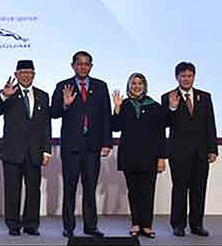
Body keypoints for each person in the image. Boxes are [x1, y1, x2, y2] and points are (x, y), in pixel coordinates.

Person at [51, 51, 112, 238]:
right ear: (73, 65)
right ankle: (68, 227)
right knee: (69, 188)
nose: (83, 67)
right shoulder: (63, 86)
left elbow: (106, 116)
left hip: (93, 147)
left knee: (90, 188)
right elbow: (53, 112)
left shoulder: (101, 86)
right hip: (72, 147)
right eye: (79, 64)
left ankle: (90, 227)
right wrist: (65, 104)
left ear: (91, 66)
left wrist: (107, 142)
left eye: (87, 64)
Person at [0, 60, 51, 236]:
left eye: (30, 72)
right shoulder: (9, 93)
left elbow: (46, 125)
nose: (27, 75)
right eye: (23, 72)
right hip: (12, 151)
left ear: (34, 74)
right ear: (16, 74)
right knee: (12, 190)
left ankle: (31, 224)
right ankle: (13, 224)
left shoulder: (43, 95)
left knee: (34, 189)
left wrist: (47, 149)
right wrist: (4, 96)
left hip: (34, 151)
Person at [162, 62, 217, 237]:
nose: (186, 79)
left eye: (190, 76)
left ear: (194, 77)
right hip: (178, 152)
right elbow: (164, 124)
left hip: (201, 152)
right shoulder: (168, 96)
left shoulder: (205, 97)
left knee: (199, 189)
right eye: (183, 76)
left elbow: (210, 124)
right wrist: (172, 107)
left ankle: (196, 225)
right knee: (179, 188)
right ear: (177, 77)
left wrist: (212, 149)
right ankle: (178, 225)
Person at [112, 72, 167, 238]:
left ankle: (147, 225)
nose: (136, 86)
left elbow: (160, 134)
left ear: (145, 86)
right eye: (133, 84)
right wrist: (117, 108)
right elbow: (115, 127)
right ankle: (136, 223)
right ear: (129, 86)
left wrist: (161, 157)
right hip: (130, 155)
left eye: (139, 84)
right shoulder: (125, 104)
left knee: (148, 191)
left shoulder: (155, 106)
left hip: (150, 156)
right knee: (133, 191)